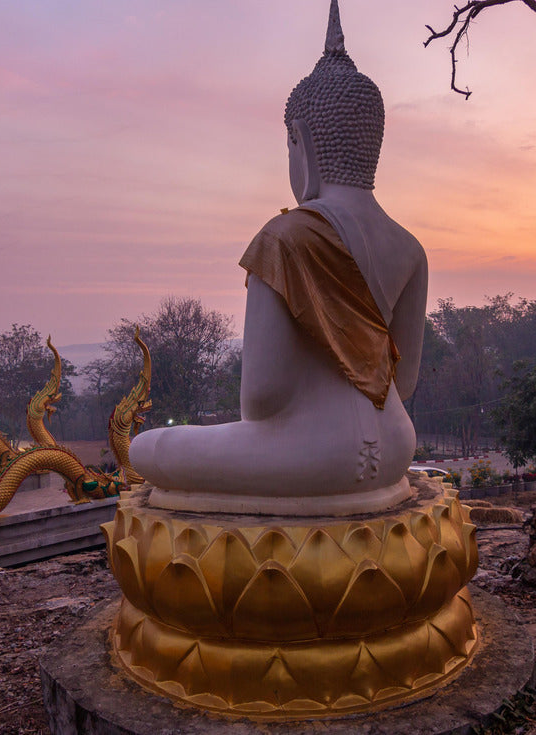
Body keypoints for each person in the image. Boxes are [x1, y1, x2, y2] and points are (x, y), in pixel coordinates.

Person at [129, 1, 428, 515]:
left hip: (308, 456)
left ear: (303, 143)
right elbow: (404, 380)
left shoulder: (285, 238)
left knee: (149, 448)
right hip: (397, 446)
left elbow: (261, 399)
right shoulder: (410, 248)